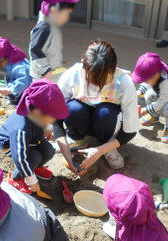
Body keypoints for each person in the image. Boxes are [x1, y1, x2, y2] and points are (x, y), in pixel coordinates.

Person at [55, 40, 139, 172]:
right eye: (92, 80)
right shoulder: (73, 74)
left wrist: (100, 150)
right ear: (84, 64)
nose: (96, 86)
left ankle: (108, 146)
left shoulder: (124, 83)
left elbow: (130, 131)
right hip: (82, 120)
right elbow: (55, 115)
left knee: (106, 113)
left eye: (103, 81)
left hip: (107, 124)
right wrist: (64, 147)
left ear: (115, 68)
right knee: (73, 109)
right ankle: (78, 139)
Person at [0, 80, 69, 194]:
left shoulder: (36, 115)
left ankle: (35, 168)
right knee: (34, 157)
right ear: (37, 112)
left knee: (49, 150)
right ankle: (15, 178)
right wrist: (32, 180)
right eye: (52, 116)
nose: (53, 120)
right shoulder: (20, 128)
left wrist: (46, 128)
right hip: (11, 144)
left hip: (32, 138)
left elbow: (43, 122)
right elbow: (20, 158)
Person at [132, 52, 168, 144]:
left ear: (155, 76)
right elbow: (146, 82)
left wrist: (145, 110)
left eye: (145, 79)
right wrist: (140, 91)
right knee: (148, 96)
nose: (144, 81)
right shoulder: (155, 74)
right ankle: (154, 116)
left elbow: (162, 102)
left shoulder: (167, 82)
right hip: (164, 92)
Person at [29, 0, 79, 80]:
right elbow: (35, 49)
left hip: (52, 72)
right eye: (66, 13)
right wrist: (45, 70)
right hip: (43, 76)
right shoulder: (44, 28)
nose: (67, 17)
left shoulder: (52, 26)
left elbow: (50, 48)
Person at [0, 36, 33, 106]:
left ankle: (17, 100)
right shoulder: (12, 60)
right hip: (20, 87)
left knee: (19, 97)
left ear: (3, 59)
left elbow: (23, 82)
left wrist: (10, 90)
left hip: (27, 91)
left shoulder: (20, 67)